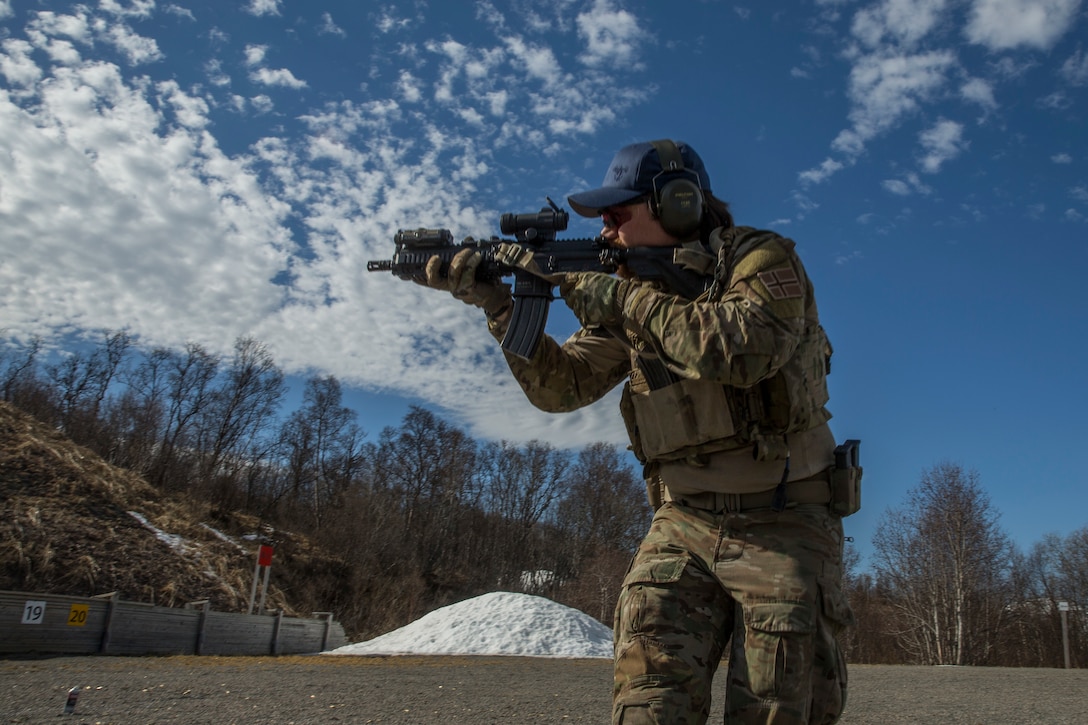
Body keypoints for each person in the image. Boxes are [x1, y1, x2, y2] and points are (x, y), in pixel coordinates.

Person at [421, 139, 856, 724]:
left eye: (617, 214)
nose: (605, 230)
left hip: (786, 520)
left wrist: (622, 297)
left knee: (778, 709)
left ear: (680, 204)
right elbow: (562, 387)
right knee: (646, 705)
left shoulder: (759, 260)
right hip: (684, 521)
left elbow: (742, 349)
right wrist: (497, 306)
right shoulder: (627, 288)